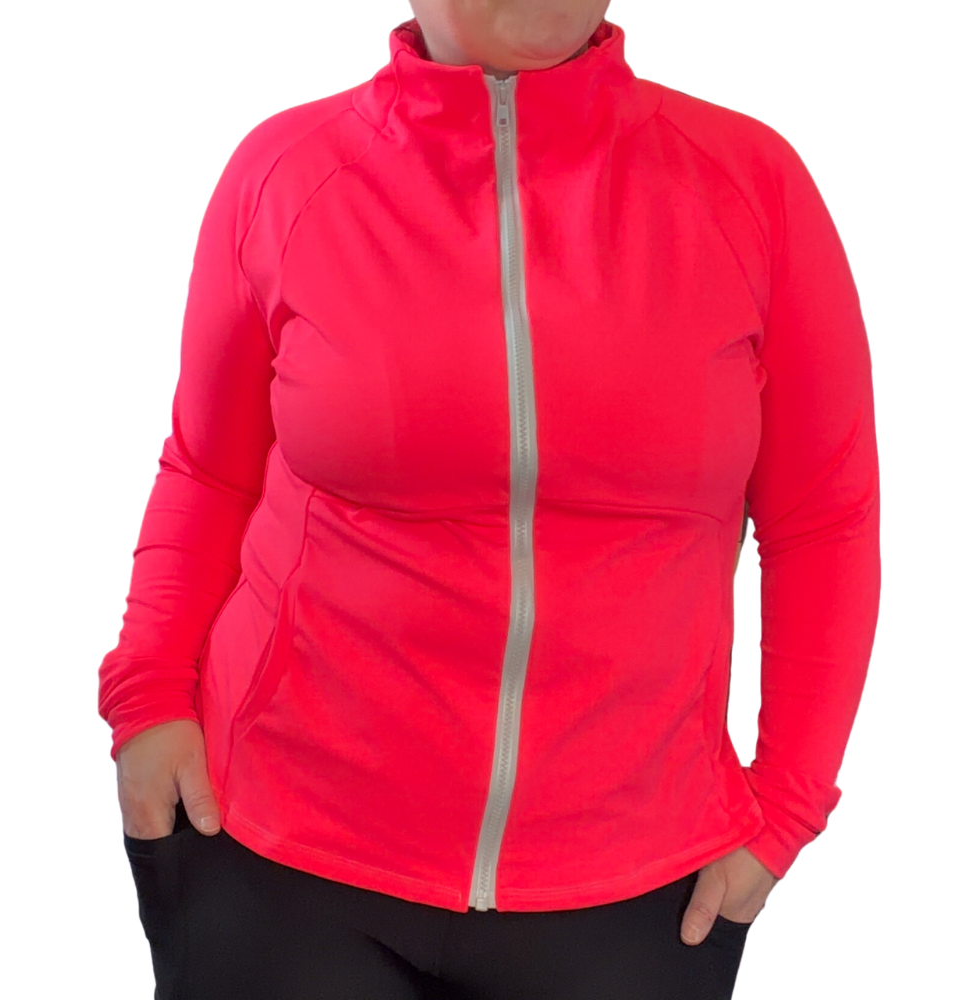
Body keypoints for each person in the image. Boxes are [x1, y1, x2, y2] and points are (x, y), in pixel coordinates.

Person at [99, 2, 881, 998]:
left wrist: (786, 806)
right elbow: (208, 470)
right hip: (276, 855)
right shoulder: (288, 172)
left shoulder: (747, 184)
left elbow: (824, 521)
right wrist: (149, 700)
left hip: (636, 885)